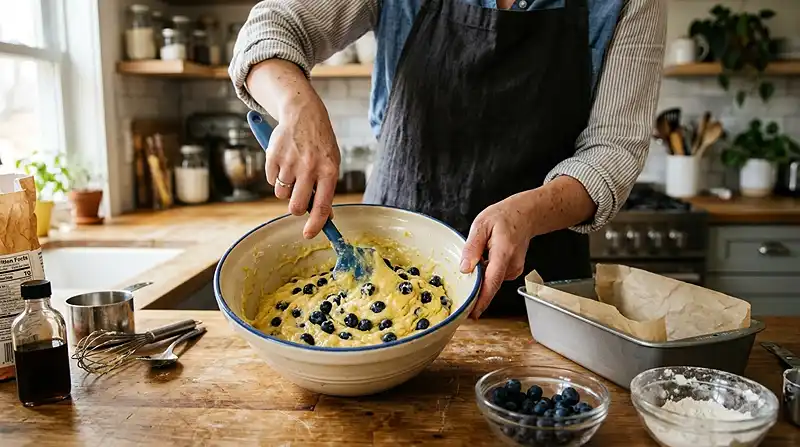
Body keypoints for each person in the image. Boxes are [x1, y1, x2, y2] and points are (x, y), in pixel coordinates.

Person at [229, 0, 666, 318]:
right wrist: (297, 105)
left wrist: (530, 213)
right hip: (390, 262)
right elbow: (272, 26)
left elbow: (614, 150)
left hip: (539, 290)